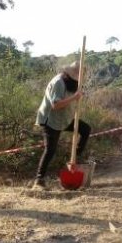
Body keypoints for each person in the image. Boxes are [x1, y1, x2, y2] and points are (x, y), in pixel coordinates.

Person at [33, 61, 91, 190]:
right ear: (69, 75)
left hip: (64, 119)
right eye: (76, 79)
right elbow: (55, 105)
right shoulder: (59, 83)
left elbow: (70, 99)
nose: (78, 82)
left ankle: (74, 158)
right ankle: (39, 180)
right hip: (50, 120)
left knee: (85, 129)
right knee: (50, 150)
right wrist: (74, 97)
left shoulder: (71, 83)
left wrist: (77, 96)